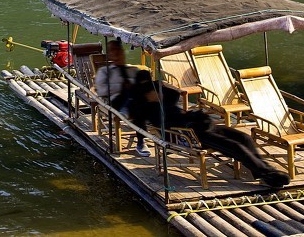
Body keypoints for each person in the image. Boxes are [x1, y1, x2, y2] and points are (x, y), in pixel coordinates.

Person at [94, 39, 289, 189]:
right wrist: (141, 136)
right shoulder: (139, 104)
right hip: (183, 133)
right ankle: (268, 174)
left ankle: (262, 170)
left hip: (194, 122)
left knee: (242, 137)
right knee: (231, 145)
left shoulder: (159, 93)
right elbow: (139, 121)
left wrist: (159, 92)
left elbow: (174, 94)